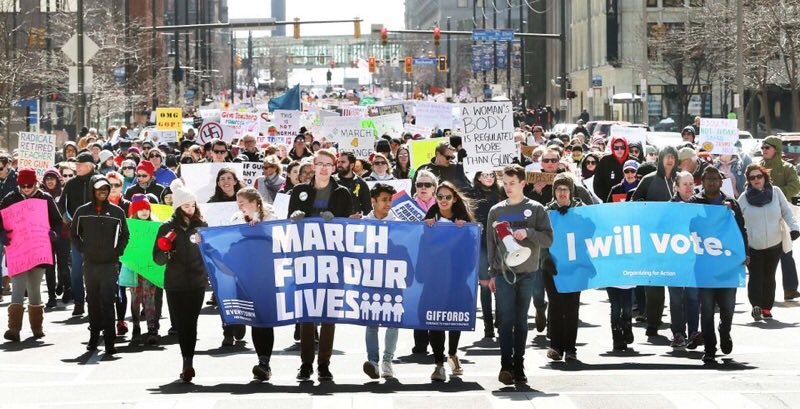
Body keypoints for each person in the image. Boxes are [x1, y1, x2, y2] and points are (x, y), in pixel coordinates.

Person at [288, 149, 352, 381]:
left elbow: (347, 224)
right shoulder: (299, 190)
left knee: (328, 313)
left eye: (328, 164)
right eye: (320, 163)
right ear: (313, 166)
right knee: (306, 312)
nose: (324, 168)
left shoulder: (342, 192)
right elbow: (289, 224)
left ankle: (324, 364)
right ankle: (306, 364)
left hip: (332, 258)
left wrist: (334, 219)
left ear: (334, 168)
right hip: (306, 257)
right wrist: (295, 217)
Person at [486, 164, 552, 384]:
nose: (508, 187)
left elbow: (548, 239)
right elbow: (491, 244)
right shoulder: (496, 211)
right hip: (504, 273)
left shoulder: (536, 209)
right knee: (505, 320)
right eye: (504, 183)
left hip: (528, 272)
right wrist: (492, 273)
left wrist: (529, 233)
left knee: (521, 320)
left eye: (512, 183)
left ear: (523, 183)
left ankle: (519, 364)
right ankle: (506, 364)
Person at [689, 167, 748, 362]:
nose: (713, 182)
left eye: (716, 179)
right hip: (704, 267)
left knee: (728, 307)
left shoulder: (731, 204)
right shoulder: (694, 204)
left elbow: (741, 230)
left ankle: (725, 331)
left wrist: (745, 253)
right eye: (709, 179)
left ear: (721, 182)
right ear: (702, 182)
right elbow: (685, 229)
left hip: (728, 266)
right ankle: (710, 347)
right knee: (706, 309)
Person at [153, 179, 208, 382]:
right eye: (186, 205)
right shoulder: (167, 227)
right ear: (177, 207)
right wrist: (166, 250)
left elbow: (210, 252)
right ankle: (187, 360)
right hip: (175, 284)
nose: (190, 209)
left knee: (190, 323)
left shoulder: (201, 225)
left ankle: (188, 362)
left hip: (196, 282)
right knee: (181, 324)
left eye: (193, 205)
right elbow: (157, 259)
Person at [1, 168, 63, 343]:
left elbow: (58, 222)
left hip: (38, 251)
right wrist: (2, 235)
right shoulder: (10, 198)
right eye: (23, 186)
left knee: (35, 289)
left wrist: (54, 234)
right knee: (18, 289)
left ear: (36, 183)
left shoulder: (45, 198)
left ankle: (37, 328)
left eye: (30, 185)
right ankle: (14, 329)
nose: (26, 189)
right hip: (17, 251)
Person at [71, 175, 130, 354]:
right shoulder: (82, 211)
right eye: (98, 189)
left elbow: (125, 235)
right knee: (93, 301)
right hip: (90, 264)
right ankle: (94, 336)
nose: (103, 192)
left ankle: (110, 340)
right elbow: (74, 234)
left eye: (105, 188)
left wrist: (117, 251)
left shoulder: (117, 211)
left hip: (110, 264)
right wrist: (84, 249)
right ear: (92, 190)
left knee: (108, 301)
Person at [424, 181, 475, 382]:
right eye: (440, 197)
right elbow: (421, 246)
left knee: (455, 317)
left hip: (457, 278)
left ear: (454, 199)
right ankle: (438, 364)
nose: (443, 200)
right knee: (435, 320)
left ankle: (453, 353)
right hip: (434, 279)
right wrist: (426, 229)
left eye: (447, 197)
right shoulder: (430, 218)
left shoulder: (464, 220)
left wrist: (464, 232)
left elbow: (472, 250)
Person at [738, 164, 799, 321]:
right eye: (752, 178)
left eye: (759, 176)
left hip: (775, 243)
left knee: (769, 276)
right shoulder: (743, 198)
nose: (756, 180)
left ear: (765, 177)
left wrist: (794, 228)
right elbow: (735, 220)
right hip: (753, 245)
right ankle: (756, 306)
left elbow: (787, 211)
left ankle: (766, 308)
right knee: (756, 276)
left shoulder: (776, 192)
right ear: (749, 181)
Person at [632, 146, 679, 337]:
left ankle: (679, 326)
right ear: (660, 159)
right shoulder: (649, 179)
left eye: (672, 157)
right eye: (666, 157)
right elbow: (635, 202)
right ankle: (653, 321)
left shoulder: (680, 179)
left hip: (677, 240)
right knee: (654, 283)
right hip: (653, 239)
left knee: (677, 285)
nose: (669, 160)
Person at [230, 187, 275, 381]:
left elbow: (281, 240)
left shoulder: (272, 219)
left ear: (255, 203)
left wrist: (261, 230)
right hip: (245, 276)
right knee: (252, 318)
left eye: (242, 204)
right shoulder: (236, 220)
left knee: (262, 320)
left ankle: (263, 362)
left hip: (266, 277)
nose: (239, 208)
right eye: (238, 204)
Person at [540, 174, 583, 362]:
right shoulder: (546, 212)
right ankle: (556, 346)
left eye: (565, 189)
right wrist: (544, 259)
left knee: (572, 307)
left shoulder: (582, 211)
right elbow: (540, 238)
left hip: (575, 267)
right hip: (552, 267)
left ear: (571, 192)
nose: (562, 193)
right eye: (558, 189)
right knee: (556, 306)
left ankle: (570, 348)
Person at [362, 183, 401, 380]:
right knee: (371, 323)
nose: (388, 204)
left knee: (392, 321)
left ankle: (387, 361)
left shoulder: (400, 223)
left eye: (390, 200)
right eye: (384, 200)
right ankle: (373, 362)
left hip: (394, 278)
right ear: (373, 200)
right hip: (370, 278)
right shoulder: (361, 223)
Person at [759, 136, 800, 302]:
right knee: (761, 254)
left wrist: (775, 192)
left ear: (776, 148)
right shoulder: (757, 167)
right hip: (761, 216)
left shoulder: (788, 167)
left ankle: (790, 288)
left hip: (782, 217)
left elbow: (795, 186)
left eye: (767, 147)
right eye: (762, 148)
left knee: (786, 251)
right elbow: (748, 187)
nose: (764, 150)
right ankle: (761, 290)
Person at [59, 152, 99, 317]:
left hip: (97, 234)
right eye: (75, 164)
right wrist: (67, 219)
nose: (76, 167)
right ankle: (79, 302)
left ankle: (93, 300)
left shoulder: (99, 181)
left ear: (89, 166)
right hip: (76, 234)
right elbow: (61, 205)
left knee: (94, 269)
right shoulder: (71, 184)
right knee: (76, 269)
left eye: (79, 164)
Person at [665, 171, 701, 349]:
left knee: (694, 297)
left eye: (691, 183)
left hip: (694, 260)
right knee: (676, 298)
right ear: (676, 187)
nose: (689, 187)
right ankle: (678, 333)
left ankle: (694, 331)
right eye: (685, 184)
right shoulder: (669, 208)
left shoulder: (699, 204)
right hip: (674, 261)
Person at [469, 171, 504, 339]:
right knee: (484, 284)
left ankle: (500, 320)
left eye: (492, 174)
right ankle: (488, 325)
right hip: (480, 243)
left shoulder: (502, 192)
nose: (489, 177)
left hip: (500, 243)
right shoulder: (471, 194)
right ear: (477, 177)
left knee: (499, 282)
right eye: (485, 175)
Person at [124, 194, 160, 345]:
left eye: (147, 209)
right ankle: (136, 326)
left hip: (150, 268)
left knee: (150, 298)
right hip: (134, 269)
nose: (144, 212)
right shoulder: (130, 226)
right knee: (135, 299)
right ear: (135, 211)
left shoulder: (156, 226)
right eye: (141, 209)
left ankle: (152, 328)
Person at [40, 168, 70, 309]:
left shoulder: (64, 194)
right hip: (45, 236)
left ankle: (66, 288)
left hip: (63, 235)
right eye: (47, 179)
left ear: (58, 180)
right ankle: (51, 296)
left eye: (53, 178)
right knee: (49, 267)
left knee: (63, 265)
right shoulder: (40, 195)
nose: (50, 181)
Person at [593, 137, 630, 202]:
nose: (619, 150)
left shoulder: (632, 161)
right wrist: (608, 199)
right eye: (616, 148)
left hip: (630, 202)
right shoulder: (605, 161)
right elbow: (597, 184)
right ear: (612, 148)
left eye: (622, 147)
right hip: (609, 202)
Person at [335, 151, 372, 216]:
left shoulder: (361, 183)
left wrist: (361, 217)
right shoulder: (332, 181)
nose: (339, 165)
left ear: (352, 165)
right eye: (338, 162)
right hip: (335, 223)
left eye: (343, 162)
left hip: (354, 224)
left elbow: (367, 208)